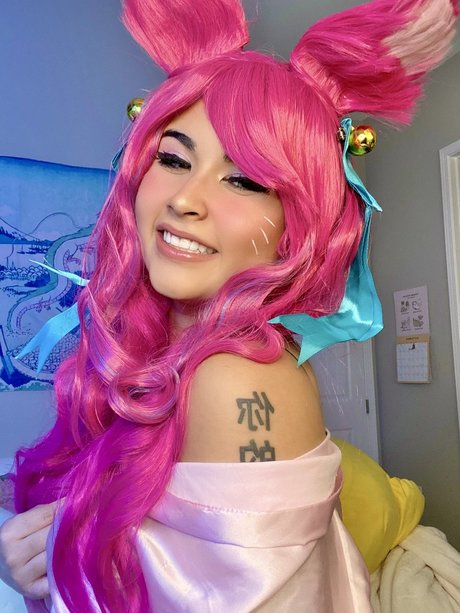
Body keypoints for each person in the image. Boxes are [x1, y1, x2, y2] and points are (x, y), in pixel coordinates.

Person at [0, 0, 456, 610]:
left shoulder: (236, 381)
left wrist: (65, 558)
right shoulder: (168, 353)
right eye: (173, 158)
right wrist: (54, 542)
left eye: (244, 180)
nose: (185, 199)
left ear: (296, 224)